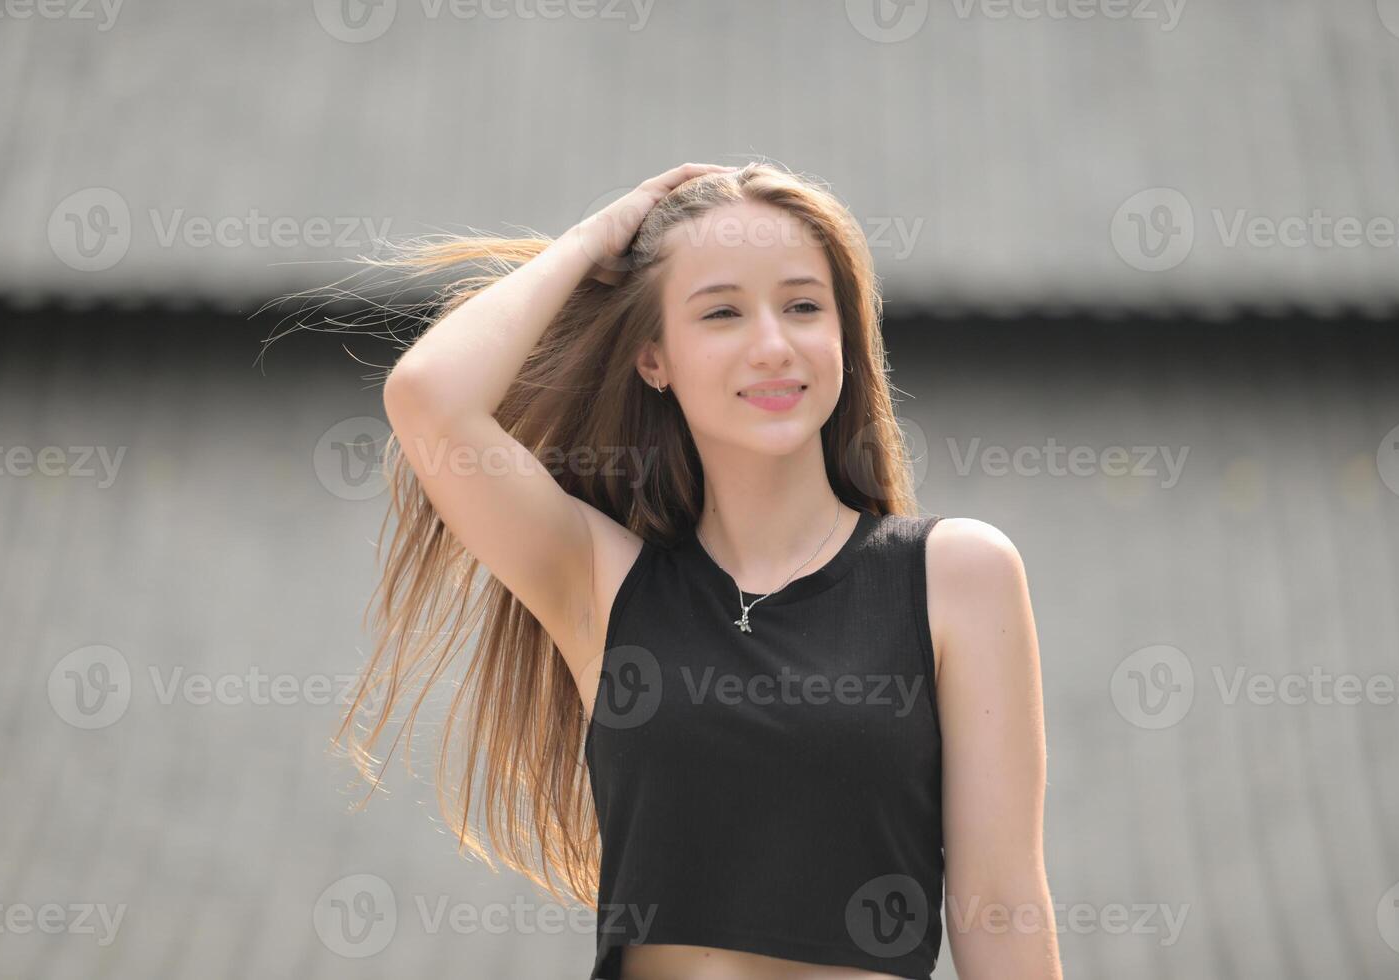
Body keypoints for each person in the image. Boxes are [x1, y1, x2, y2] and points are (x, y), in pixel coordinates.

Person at [339, 161, 1061, 978]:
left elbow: (1001, 906)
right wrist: (590, 241)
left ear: (844, 336)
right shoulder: (603, 587)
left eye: (802, 306)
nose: (773, 345)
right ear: (655, 358)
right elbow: (428, 397)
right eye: (722, 312)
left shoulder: (956, 577)